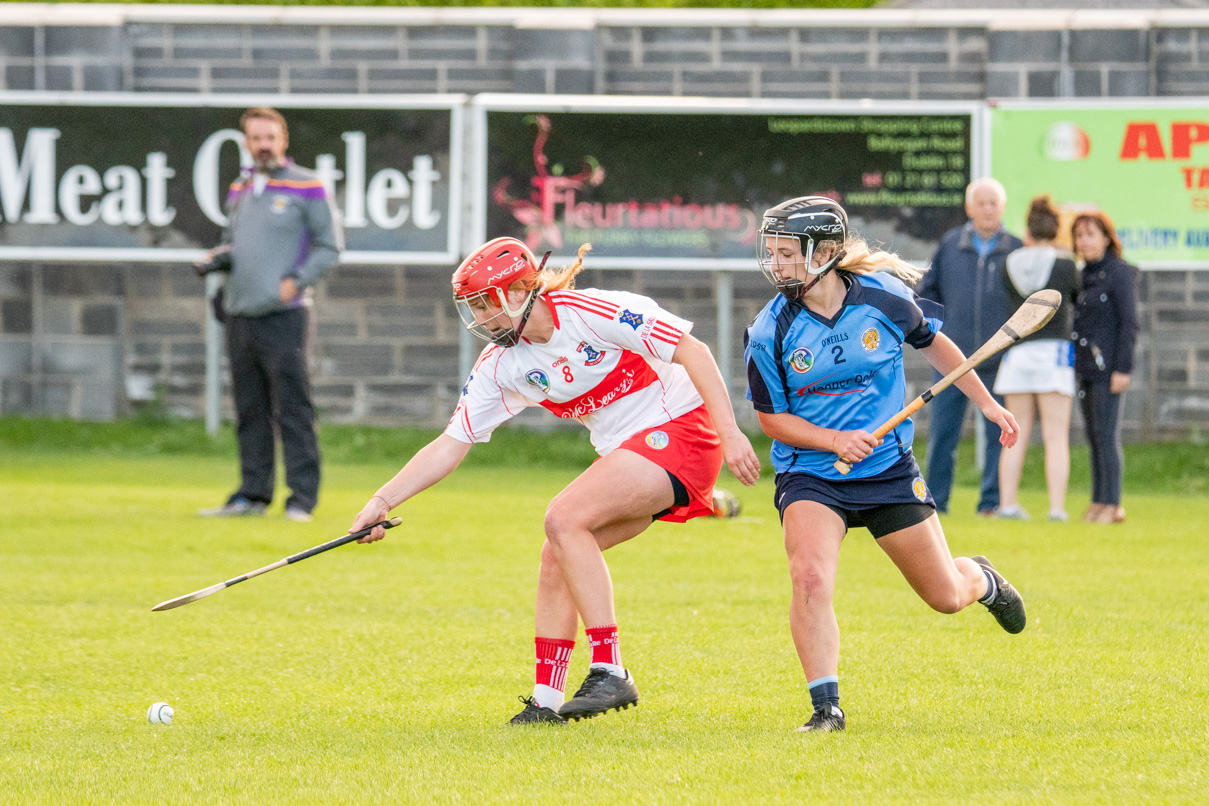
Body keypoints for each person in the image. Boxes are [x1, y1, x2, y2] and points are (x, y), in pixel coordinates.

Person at [347, 237, 761, 725]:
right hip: (628, 454)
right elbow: (449, 443)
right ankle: (546, 701)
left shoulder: (593, 312)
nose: (481, 320)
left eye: (486, 304)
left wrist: (732, 433)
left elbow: (694, 351)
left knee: (564, 517)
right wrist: (381, 499)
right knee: (557, 552)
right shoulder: (502, 365)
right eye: (473, 308)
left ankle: (610, 669)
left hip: (685, 430)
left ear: (520, 291)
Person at [744, 196, 1026, 733]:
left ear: (825, 252)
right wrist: (833, 441)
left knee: (945, 597)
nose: (775, 265)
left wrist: (987, 404)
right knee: (809, 576)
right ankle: (826, 707)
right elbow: (773, 420)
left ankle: (981, 579)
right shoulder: (769, 332)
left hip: (888, 470)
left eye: (787, 253)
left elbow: (937, 346)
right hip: (812, 472)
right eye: (772, 252)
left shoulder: (883, 297)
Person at [197, 107, 344, 523]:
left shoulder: (307, 185)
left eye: (270, 137)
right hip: (240, 313)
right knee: (249, 410)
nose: (263, 145)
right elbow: (236, 244)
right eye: (255, 138)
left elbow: (329, 247)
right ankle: (252, 494)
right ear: (246, 142)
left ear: (283, 141)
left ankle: (301, 500)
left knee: (293, 409)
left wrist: (295, 282)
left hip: (285, 315)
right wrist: (219, 260)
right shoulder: (241, 187)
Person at [916, 178, 1023, 516]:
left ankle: (990, 502)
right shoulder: (950, 245)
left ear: (1002, 208)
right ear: (969, 208)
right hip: (952, 361)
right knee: (943, 436)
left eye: (994, 203)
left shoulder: (1017, 249)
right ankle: (936, 503)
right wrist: (938, 332)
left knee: (999, 434)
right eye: (982, 203)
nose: (988, 209)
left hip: (1000, 359)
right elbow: (926, 293)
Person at [994, 196, 1080, 522]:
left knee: (1016, 432)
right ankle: (1056, 509)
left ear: (1028, 229)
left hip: (1017, 353)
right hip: (1053, 354)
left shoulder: (1009, 262)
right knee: (1056, 434)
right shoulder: (1066, 264)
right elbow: (1075, 297)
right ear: (1058, 230)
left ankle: (1007, 503)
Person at [1071, 212, 1139, 524]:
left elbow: (1129, 323)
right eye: (1079, 235)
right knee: (1093, 435)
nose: (1084, 241)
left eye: (1091, 234)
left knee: (1108, 434)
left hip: (1109, 367)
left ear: (1107, 238)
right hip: (1084, 366)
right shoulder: (1082, 275)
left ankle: (1113, 504)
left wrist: (1123, 369)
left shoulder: (1119, 272)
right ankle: (1098, 501)